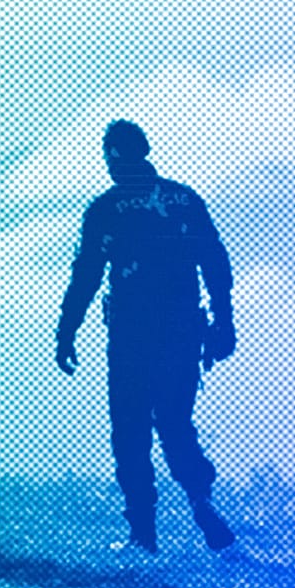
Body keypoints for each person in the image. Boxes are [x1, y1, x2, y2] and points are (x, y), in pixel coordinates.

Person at [54, 120, 238, 554]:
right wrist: (224, 322)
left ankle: (142, 533)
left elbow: (86, 275)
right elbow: (215, 262)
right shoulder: (185, 199)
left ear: (113, 156)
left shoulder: (105, 208)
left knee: (130, 430)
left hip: (131, 336)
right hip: (181, 332)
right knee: (175, 422)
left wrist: (66, 330)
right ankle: (201, 499)